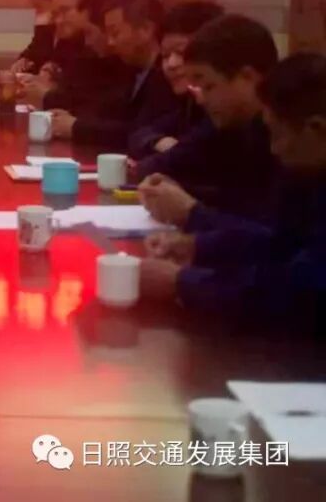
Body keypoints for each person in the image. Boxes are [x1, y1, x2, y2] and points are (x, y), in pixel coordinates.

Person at [139, 54, 326, 333]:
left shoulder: (300, 167)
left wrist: (182, 283)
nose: (274, 149)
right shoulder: (307, 169)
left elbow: (302, 292)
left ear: (316, 129)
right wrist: (198, 247)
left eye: (277, 135)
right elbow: (281, 242)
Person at [136, 14, 279, 222]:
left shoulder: (289, 134)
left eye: (209, 86)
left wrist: (191, 212)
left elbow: (272, 234)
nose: (201, 100)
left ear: (248, 77)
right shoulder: (232, 125)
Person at [51, 0, 177, 149]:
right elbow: (108, 113)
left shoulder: (167, 76)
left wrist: (77, 127)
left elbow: (136, 131)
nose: (110, 42)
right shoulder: (133, 70)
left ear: (146, 30)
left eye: (115, 33)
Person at [128, 2, 224, 159]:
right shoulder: (187, 103)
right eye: (165, 55)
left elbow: (187, 158)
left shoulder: (224, 110)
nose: (171, 64)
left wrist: (175, 151)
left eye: (181, 53)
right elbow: (138, 134)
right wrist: (158, 141)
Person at [12, 0, 74, 74]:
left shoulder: (74, 34)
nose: (36, 13)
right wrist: (24, 59)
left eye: (38, 6)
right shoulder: (46, 28)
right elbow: (34, 53)